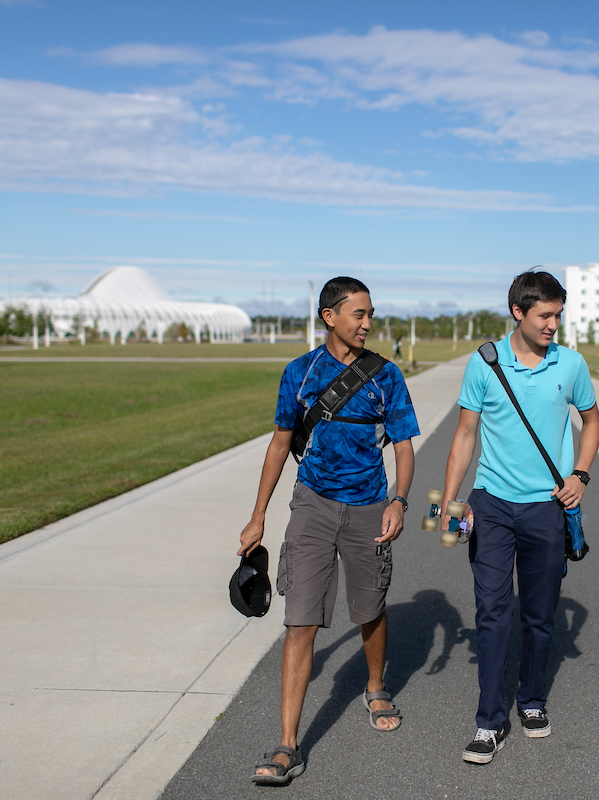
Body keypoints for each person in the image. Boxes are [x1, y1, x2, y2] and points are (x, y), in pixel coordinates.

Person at [238, 277, 420, 786]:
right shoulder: (299, 373)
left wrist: (399, 502)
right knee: (300, 620)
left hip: (368, 506)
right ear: (329, 316)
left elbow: (404, 446)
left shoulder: (385, 376)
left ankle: (376, 685)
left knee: (370, 606)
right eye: (358, 314)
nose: (366, 323)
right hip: (312, 506)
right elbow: (279, 446)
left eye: (370, 315)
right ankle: (287, 744)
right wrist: (259, 515)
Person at [440, 270, 599, 764]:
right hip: (490, 505)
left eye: (558, 314)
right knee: (492, 612)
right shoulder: (484, 363)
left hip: (548, 509)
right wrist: (448, 505)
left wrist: (581, 475)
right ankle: (489, 721)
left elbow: (591, 421)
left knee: (539, 615)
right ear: (518, 312)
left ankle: (531, 700)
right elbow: (465, 435)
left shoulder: (571, 364)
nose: (554, 324)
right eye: (545, 315)